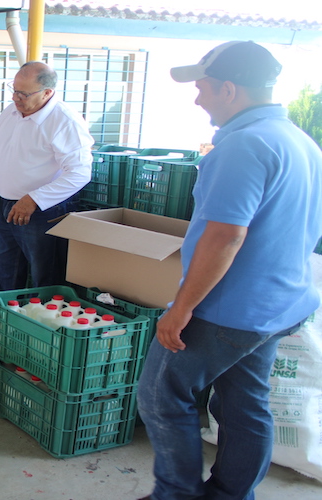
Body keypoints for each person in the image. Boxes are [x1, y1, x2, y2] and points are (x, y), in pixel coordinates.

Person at [136, 41, 322, 500]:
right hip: (279, 304)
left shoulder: (243, 145)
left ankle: (176, 495)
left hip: (227, 310)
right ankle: (231, 495)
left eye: (202, 89)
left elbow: (225, 237)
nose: (198, 100)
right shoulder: (300, 141)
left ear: (229, 89)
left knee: (161, 395)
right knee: (244, 403)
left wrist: (181, 309)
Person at [0, 61, 93, 342]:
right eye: (14, 91)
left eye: (24, 94)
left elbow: (80, 173)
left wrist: (34, 199)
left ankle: (44, 337)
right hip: (7, 205)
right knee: (4, 270)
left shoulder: (65, 122)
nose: (16, 99)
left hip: (44, 211)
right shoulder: (11, 112)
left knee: (45, 276)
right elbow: (0, 148)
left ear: (47, 93)